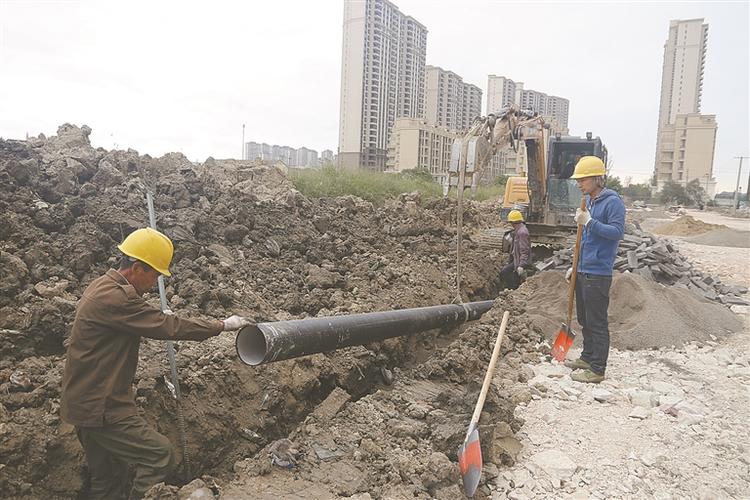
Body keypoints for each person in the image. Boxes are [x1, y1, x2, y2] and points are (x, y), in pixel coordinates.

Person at [60, 227, 252, 500]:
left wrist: (150, 313)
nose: (156, 282)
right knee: (159, 455)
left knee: (108, 479)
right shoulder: (118, 299)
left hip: (83, 401)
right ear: (137, 268)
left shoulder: (103, 285)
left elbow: (137, 318)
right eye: (156, 275)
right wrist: (221, 325)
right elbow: (168, 327)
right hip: (101, 407)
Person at [564, 157, 625, 384]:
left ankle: (597, 368)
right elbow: (585, 240)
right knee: (585, 319)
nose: (579, 183)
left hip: (598, 272)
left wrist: (589, 222)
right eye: (578, 180)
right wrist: (575, 266)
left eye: (583, 179)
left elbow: (616, 232)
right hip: (583, 269)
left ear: (597, 178)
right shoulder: (589, 201)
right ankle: (587, 357)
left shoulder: (612, 202)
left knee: (597, 321)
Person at [500, 209, 531, 290]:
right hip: (516, 259)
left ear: (513, 222)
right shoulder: (518, 231)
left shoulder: (522, 232)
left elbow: (525, 250)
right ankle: (514, 288)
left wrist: (521, 265)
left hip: (519, 261)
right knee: (512, 274)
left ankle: (512, 290)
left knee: (505, 272)